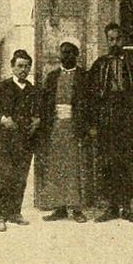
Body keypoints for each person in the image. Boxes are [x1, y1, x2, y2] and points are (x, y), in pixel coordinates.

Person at [88, 23, 133, 223]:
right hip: (106, 119)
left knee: (125, 162)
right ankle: (111, 206)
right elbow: (91, 96)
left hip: (127, 118)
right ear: (107, 40)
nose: (115, 43)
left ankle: (126, 205)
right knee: (107, 163)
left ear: (124, 40)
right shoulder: (100, 64)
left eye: (118, 39)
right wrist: (93, 123)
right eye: (111, 39)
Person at [0, 49, 41, 232]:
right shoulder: (1, 87)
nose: (23, 70)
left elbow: (38, 111)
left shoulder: (32, 89)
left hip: (25, 141)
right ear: (12, 66)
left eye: (27, 66)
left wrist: (37, 119)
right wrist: (2, 119)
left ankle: (15, 212)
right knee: (4, 177)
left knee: (20, 178)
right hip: (5, 141)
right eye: (20, 66)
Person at [36, 41, 91, 223]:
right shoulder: (52, 76)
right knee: (56, 167)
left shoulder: (84, 76)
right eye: (63, 53)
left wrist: (87, 127)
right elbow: (45, 103)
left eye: (69, 53)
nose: (65, 56)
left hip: (75, 127)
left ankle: (76, 209)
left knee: (74, 167)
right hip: (56, 127)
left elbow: (90, 104)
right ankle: (59, 208)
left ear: (76, 55)